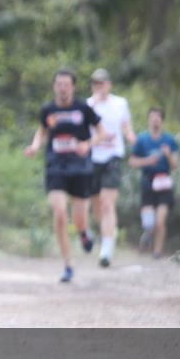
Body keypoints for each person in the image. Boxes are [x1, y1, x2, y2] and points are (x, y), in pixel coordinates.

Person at [24, 69, 109, 283]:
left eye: (66, 84)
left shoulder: (83, 108)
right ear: (54, 86)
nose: (62, 88)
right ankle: (68, 264)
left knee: (80, 218)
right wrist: (35, 146)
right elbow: (42, 131)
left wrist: (86, 144)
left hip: (80, 168)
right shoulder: (48, 110)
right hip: (56, 167)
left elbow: (102, 133)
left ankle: (84, 232)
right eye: (59, 84)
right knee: (60, 214)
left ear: (73, 87)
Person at [86, 68, 136, 267]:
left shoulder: (120, 103)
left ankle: (107, 249)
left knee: (108, 203)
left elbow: (126, 126)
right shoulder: (88, 105)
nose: (100, 87)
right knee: (96, 205)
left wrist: (132, 138)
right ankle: (104, 234)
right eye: (96, 84)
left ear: (109, 84)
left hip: (113, 156)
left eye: (102, 83)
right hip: (93, 157)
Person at [129, 108, 179, 259]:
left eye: (158, 118)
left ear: (162, 120)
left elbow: (175, 165)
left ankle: (157, 251)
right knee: (149, 223)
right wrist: (147, 161)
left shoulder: (170, 140)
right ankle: (147, 235)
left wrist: (168, 155)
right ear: (149, 120)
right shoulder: (142, 140)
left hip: (164, 182)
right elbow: (132, 162)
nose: (155, 120)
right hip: (148, 182)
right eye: (153, 117)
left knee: (160, 221)